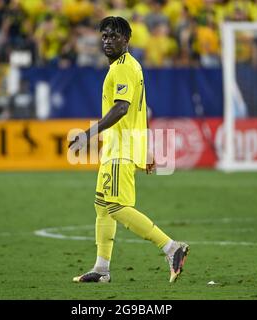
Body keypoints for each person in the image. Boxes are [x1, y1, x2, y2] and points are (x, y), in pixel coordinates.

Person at [68, 16, 189, 283]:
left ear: (127, 39)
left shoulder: (123, 68)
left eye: (114, 36)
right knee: (102, 206)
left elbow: (123, 108)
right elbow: (139, 110)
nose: (108, 41)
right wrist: (144, 149)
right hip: (119, 146)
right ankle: (101, 269)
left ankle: (171, 247)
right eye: (104, 36)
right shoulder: (130, 66)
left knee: (116, 207)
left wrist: (88, 134)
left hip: (120, 148)